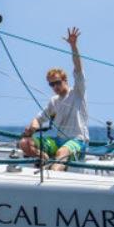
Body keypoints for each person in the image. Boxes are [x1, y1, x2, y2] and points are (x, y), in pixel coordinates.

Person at [19, 27, 88, 172]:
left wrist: (73, 46)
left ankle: (54, 173)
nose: (55, 86)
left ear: (65, 80)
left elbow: (78, 69)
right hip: (58, 141)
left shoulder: (77, 92)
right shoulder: (53, 101)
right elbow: (38, 119)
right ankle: (44, 158)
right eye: (51, 84)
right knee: (25, 143)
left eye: (57, 82)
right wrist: (32, 128)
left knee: (61, 152)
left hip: (78, 140)